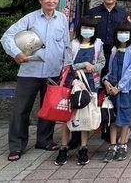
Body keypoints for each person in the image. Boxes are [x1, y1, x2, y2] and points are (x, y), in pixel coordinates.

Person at [1, 0, 70, 162]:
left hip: (53, 72)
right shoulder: (30, 18)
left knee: (49, 107)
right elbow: (7, 36)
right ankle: (16, 146)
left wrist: (66, 67)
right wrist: (16, 53)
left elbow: (66, 45)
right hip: (30, 72)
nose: (51, 1)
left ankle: (44, 140)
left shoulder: (62, 18)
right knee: (21, 109)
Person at [55, 17, 106, 166]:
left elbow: (102, 62)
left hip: (91, 84)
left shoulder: (98, 44)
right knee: (66, 117)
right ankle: (63, 146)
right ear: (80, 29)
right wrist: (85, 65)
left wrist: (93, 68)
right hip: (72, 85)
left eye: (91, 28)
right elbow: (67, 64)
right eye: (85, 28)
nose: (88, 31)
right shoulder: (72, 44)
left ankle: (84, 148)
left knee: (85, 116)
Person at [102, 21, 131, 163]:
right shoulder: (114, 49)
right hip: (112, 89)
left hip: (127, 89)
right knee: (112, 117)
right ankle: (112, 146)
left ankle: (123, 144)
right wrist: (106, 81)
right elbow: (110, 70)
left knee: (125, 117)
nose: (123, 35)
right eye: (120, 32)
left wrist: (119, 87)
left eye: (126, 32)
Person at [86, 0, 129, 76]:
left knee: (113, 79)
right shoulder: (92, 12)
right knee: (94, 80)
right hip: (95, 53)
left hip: (116, 53)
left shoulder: (123, 14)